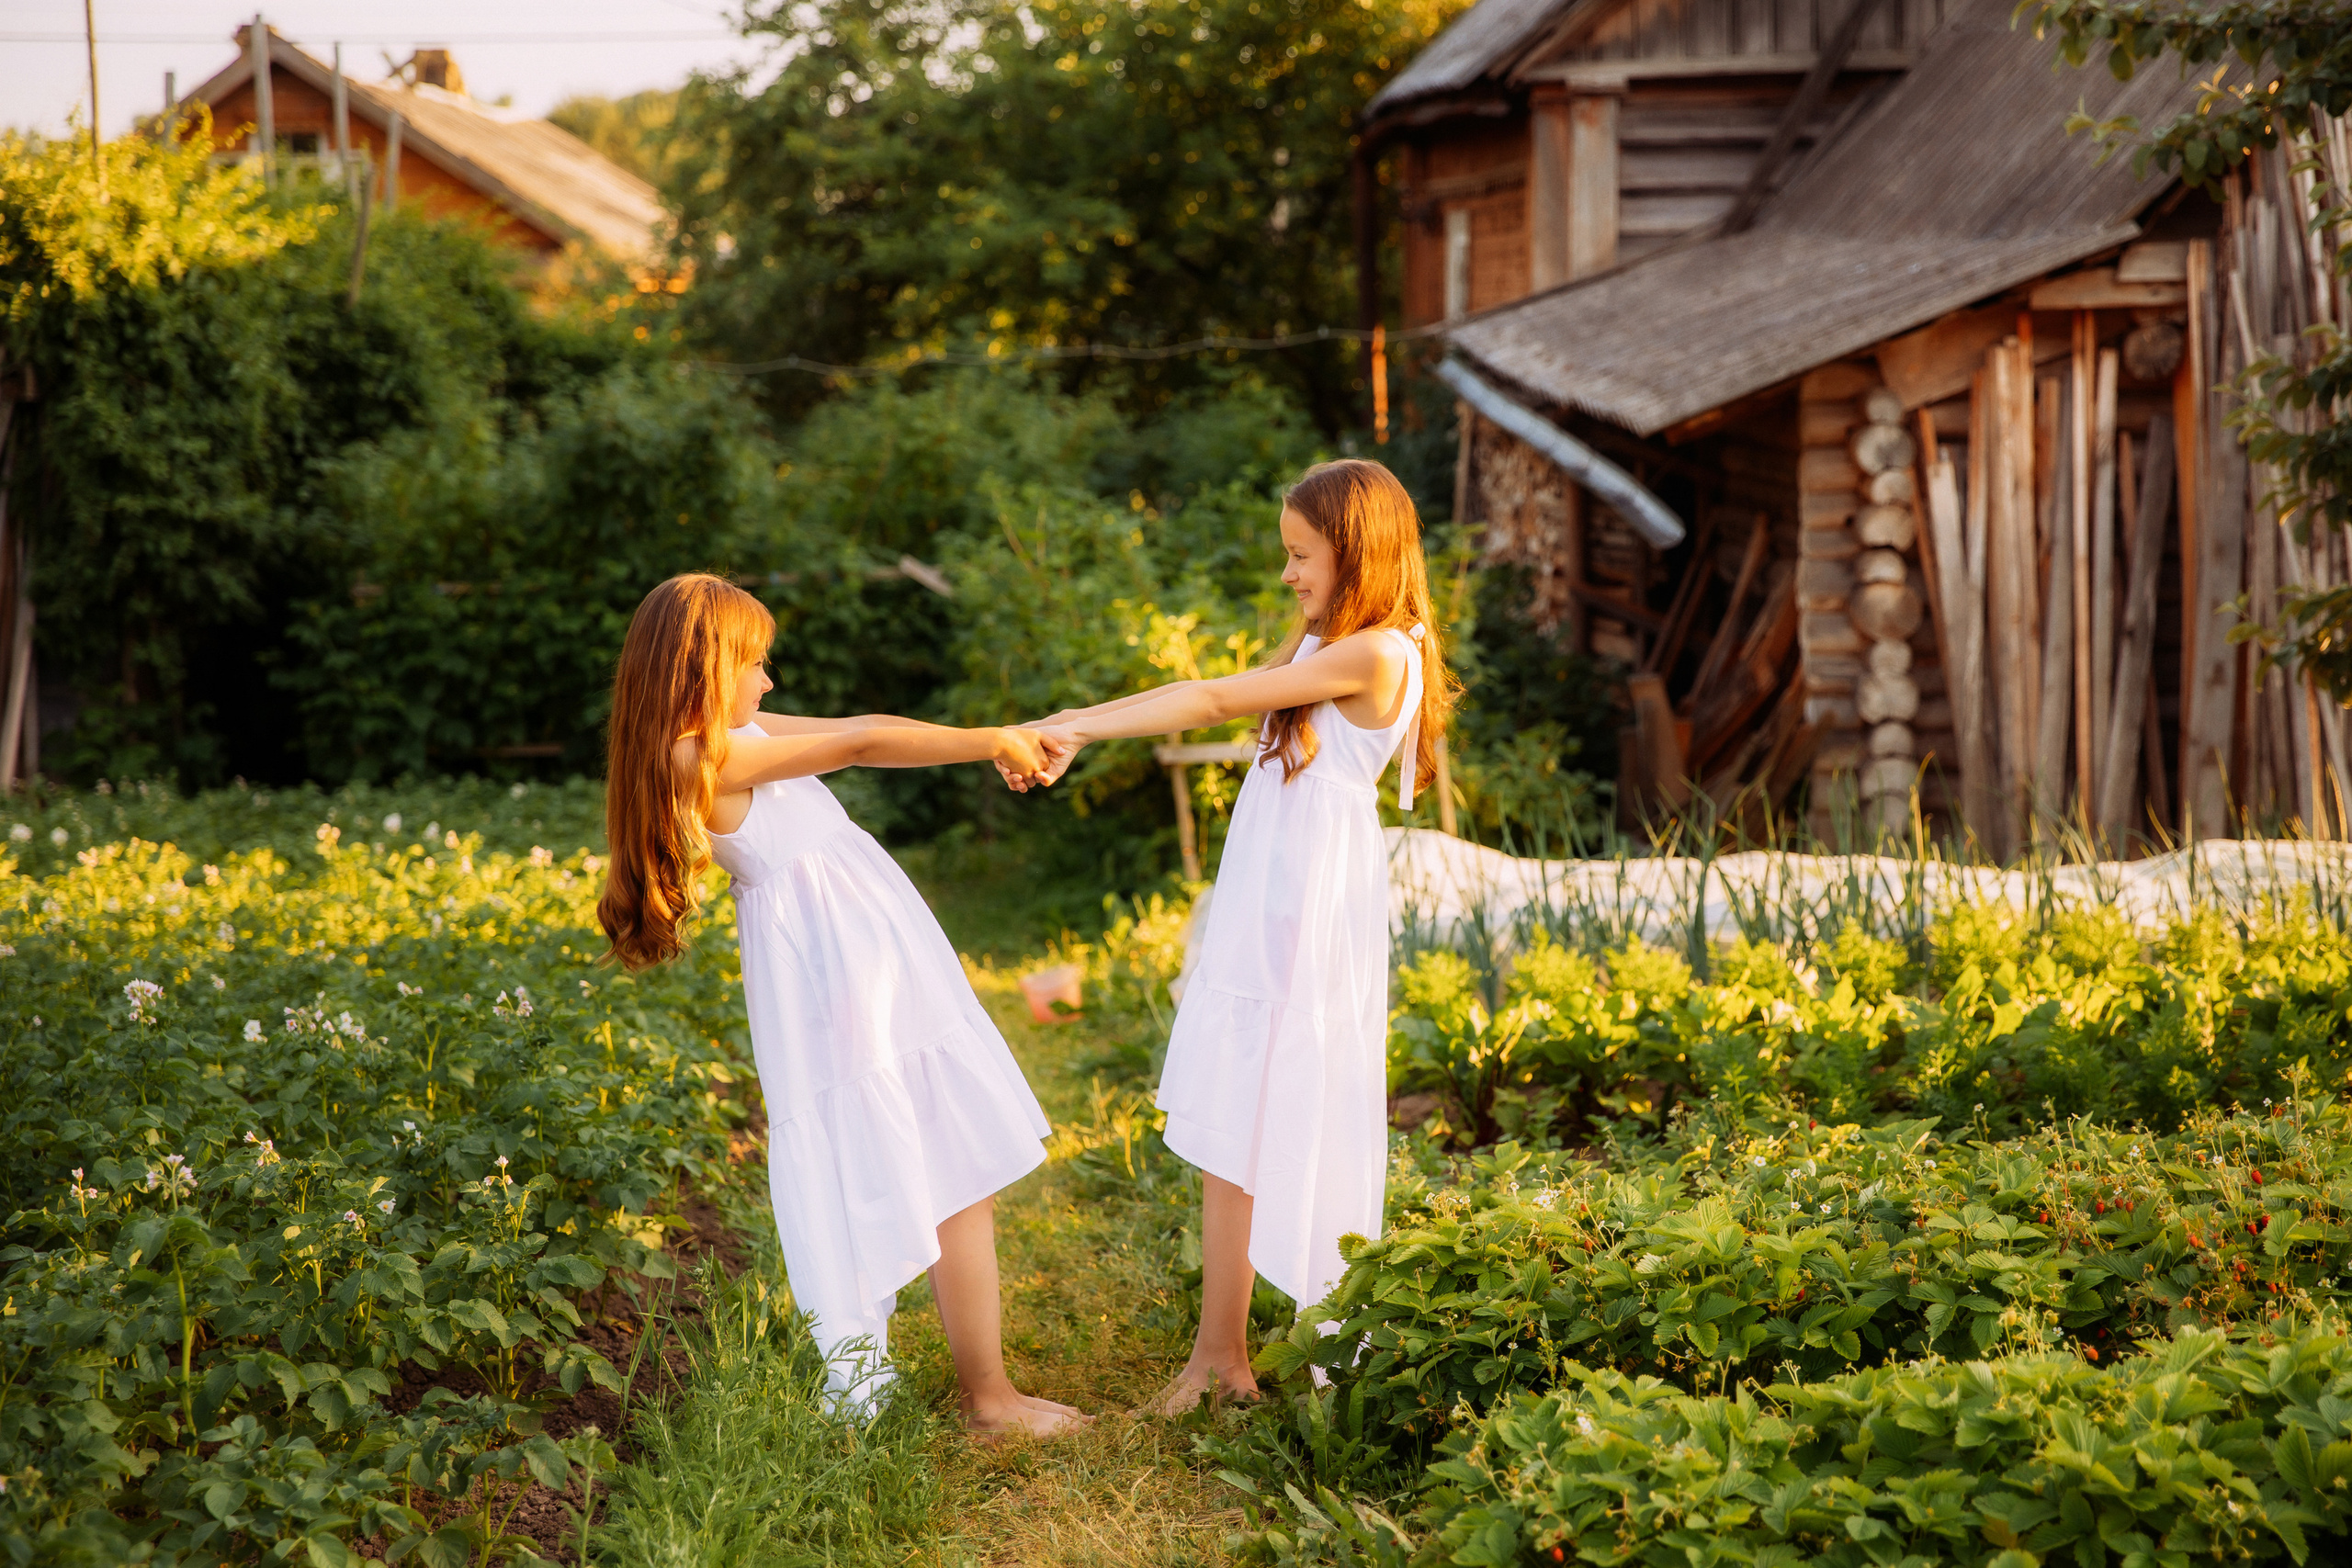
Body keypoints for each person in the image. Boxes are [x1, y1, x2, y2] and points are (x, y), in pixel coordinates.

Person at [598, 572, 1086, 1436]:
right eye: (754, 663)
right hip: (838, 976)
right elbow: (859, 741)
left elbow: (863, 726)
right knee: (933, 1157)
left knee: (953, 1162)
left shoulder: (734, 733)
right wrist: (992, 741)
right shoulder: (697, 756)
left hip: (870, 959)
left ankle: (990, 1391)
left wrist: (997, 738)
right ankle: (989, 1400)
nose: (768, 681)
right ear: (705, 670)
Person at [1017, 459, 1455, 1414]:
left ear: (1357, 553)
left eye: (1302, 555)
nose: (1288, 574)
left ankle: (1234, 1354)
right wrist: (1071, 726)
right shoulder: (1328, 645)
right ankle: (1220, 1358)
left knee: (1270, 1105)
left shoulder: (1382, 654)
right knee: (1236, 1112)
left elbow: (1214, 699)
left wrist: (1077, 730)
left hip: (1306, 908)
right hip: (1272, 894)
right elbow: (1216, 689)